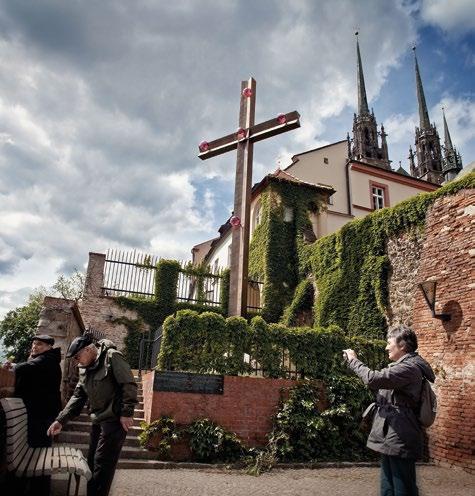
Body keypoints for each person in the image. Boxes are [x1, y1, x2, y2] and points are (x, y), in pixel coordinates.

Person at [343, 324, 435, 496]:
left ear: (402, 345)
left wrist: (354, 361)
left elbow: (373, 379)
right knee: (388, 486)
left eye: (389, 342)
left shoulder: (409, 368)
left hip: (400, 433)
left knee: (402, 488)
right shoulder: (402, 367)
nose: (386, 347)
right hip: (392, 432)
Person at [47, 334, 137, 496]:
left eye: (77, 356)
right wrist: (61, 420)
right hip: (98, 420)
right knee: (92, 462)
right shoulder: (84, 368)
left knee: (102, 466)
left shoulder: (112, 357)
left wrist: (126, 412)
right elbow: (78, 396)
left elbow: (129, 384)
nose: (76, 361)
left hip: (114, 421)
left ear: (88, 350)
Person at [7, 334, 62, 495]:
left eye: (39, 344)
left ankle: (39, 490)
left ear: (49, 347)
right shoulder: (48, 358)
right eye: (33, 344)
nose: (34, 346)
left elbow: (27, 368)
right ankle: (38, 488)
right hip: (43, 412)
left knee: (41, 452)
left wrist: (13, 366)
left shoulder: (47, 359)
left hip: (42, 414)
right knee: (41, 451)